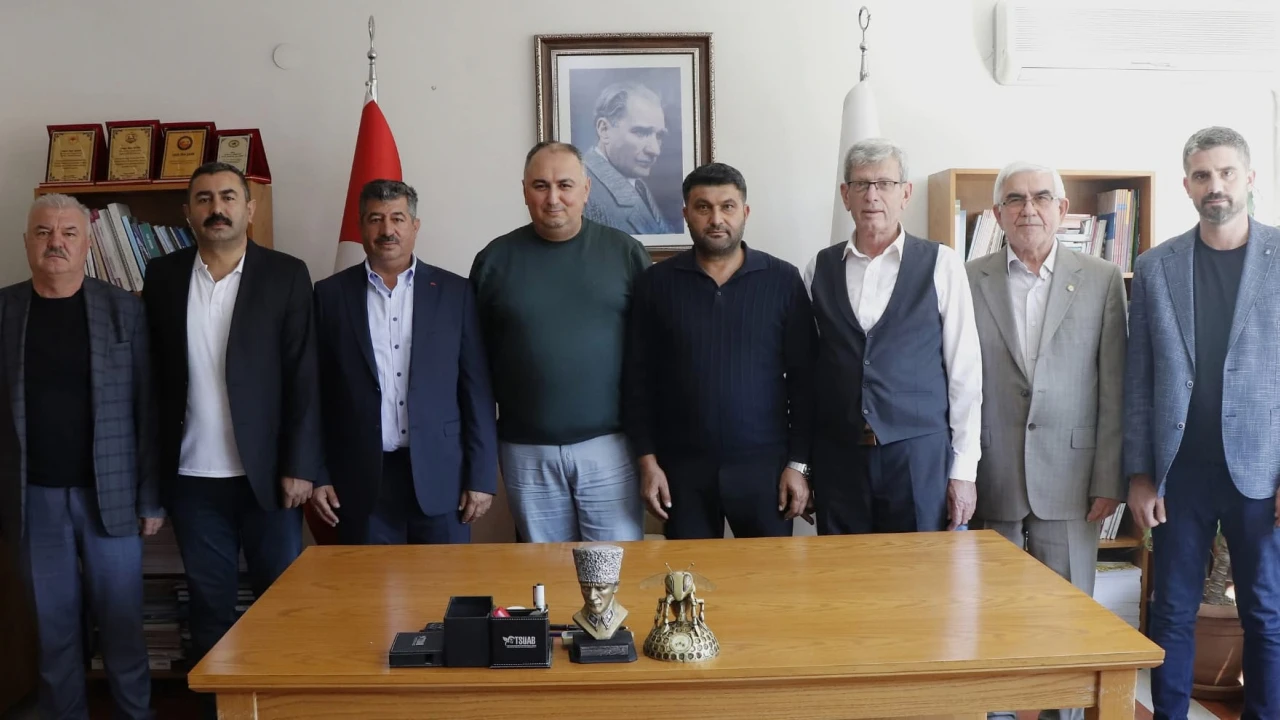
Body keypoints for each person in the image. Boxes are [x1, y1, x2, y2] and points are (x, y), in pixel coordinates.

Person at [141, 161, 323, 718]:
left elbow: (304, 377)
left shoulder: (286, 274)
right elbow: (151, 383)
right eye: (203, 199)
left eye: (226, 196)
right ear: (187, 212)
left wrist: (301, 464)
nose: (215, 208)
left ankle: (285, 708)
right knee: (211, 607)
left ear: (250, 207)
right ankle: (221, 713)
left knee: (280, 604)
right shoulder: (162, 276)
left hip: (269, 477)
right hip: (193, 479)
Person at [1125, 126, 1280, 719]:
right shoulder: (1155, 266)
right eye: (1202, 175)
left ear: (1249, 178)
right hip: (1179, 472)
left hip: (1260, 472)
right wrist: (1140, 475)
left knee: (1265, 612)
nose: (1215, 185)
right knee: (1170, 609)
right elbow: (1139, 380)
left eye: (1226, 173)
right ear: (1187, 185)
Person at [967, 163, 1127, 720]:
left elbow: (1114, 385)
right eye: (1014, 199)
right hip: (994, 474)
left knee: (1067, 622)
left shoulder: (1102, 278)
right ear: (997, 214)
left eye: (1040, 197)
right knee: (993, 620)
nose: (1028, 208)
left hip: (1074, 479)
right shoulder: (968, 278)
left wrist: (1110, 476)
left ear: (1062, 210)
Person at [0, 194, 161, 719]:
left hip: (110, 497)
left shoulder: (124, 310)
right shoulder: (4, 311)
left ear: (87, 244)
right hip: (33, 500)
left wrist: (151, 498)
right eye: (44, 232)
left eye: (68, 233)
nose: (56, 243)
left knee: (122, 629)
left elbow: (147, 409)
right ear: (27, 242)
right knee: (53, 635)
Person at [625, 162, 817, 539]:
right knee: (689, 575)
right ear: (686, 214)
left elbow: (806, 382)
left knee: (767, 573)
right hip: (681, 471)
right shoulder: (655, 284)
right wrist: (647, 462)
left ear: (745, 212)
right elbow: (636, 382)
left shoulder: (783, 280)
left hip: (766, 469)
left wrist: (799, 465)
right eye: (703, 207)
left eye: (727, 206)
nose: (716, 219)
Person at [469, 141, 649, 543]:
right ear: (524, 191)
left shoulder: (625, 253)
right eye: (541, 186)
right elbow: (473, 363)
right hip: (525, 450)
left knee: (613, 568)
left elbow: (652, 355)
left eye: (565, 185)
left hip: (611, 447)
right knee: (544, 571)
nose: (553, 198)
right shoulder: (494, 260)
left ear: (586, 189)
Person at [803, 138, 981, 534]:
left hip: (918, 456)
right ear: (845, 195)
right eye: (861, 184)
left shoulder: (942, 264)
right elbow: (809, 373)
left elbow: (965, 374)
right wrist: (805, 466)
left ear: (905, 193)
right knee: (842, 569)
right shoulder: (819, 268)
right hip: (839, 458)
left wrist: (963, 470)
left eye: (884, 183)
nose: (872, 195)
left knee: (920, 569)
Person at [310, 179, 498, 544]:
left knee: (444, 579)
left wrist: (481, 476)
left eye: (397, 218)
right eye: (375, 219)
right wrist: (318, 473)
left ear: (415, 225)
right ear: (361, 227)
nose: (387, 230)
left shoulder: (455, 293)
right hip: (358, 478)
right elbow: (315, 393)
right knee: (368, 581)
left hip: (443, 476)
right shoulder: (329, 295)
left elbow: (476, 390)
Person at [583, 81, 672, 235]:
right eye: (641, 132)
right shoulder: (582, 193)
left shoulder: (636, 183)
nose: (655, 150)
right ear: (604, 130)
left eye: (659, 136)